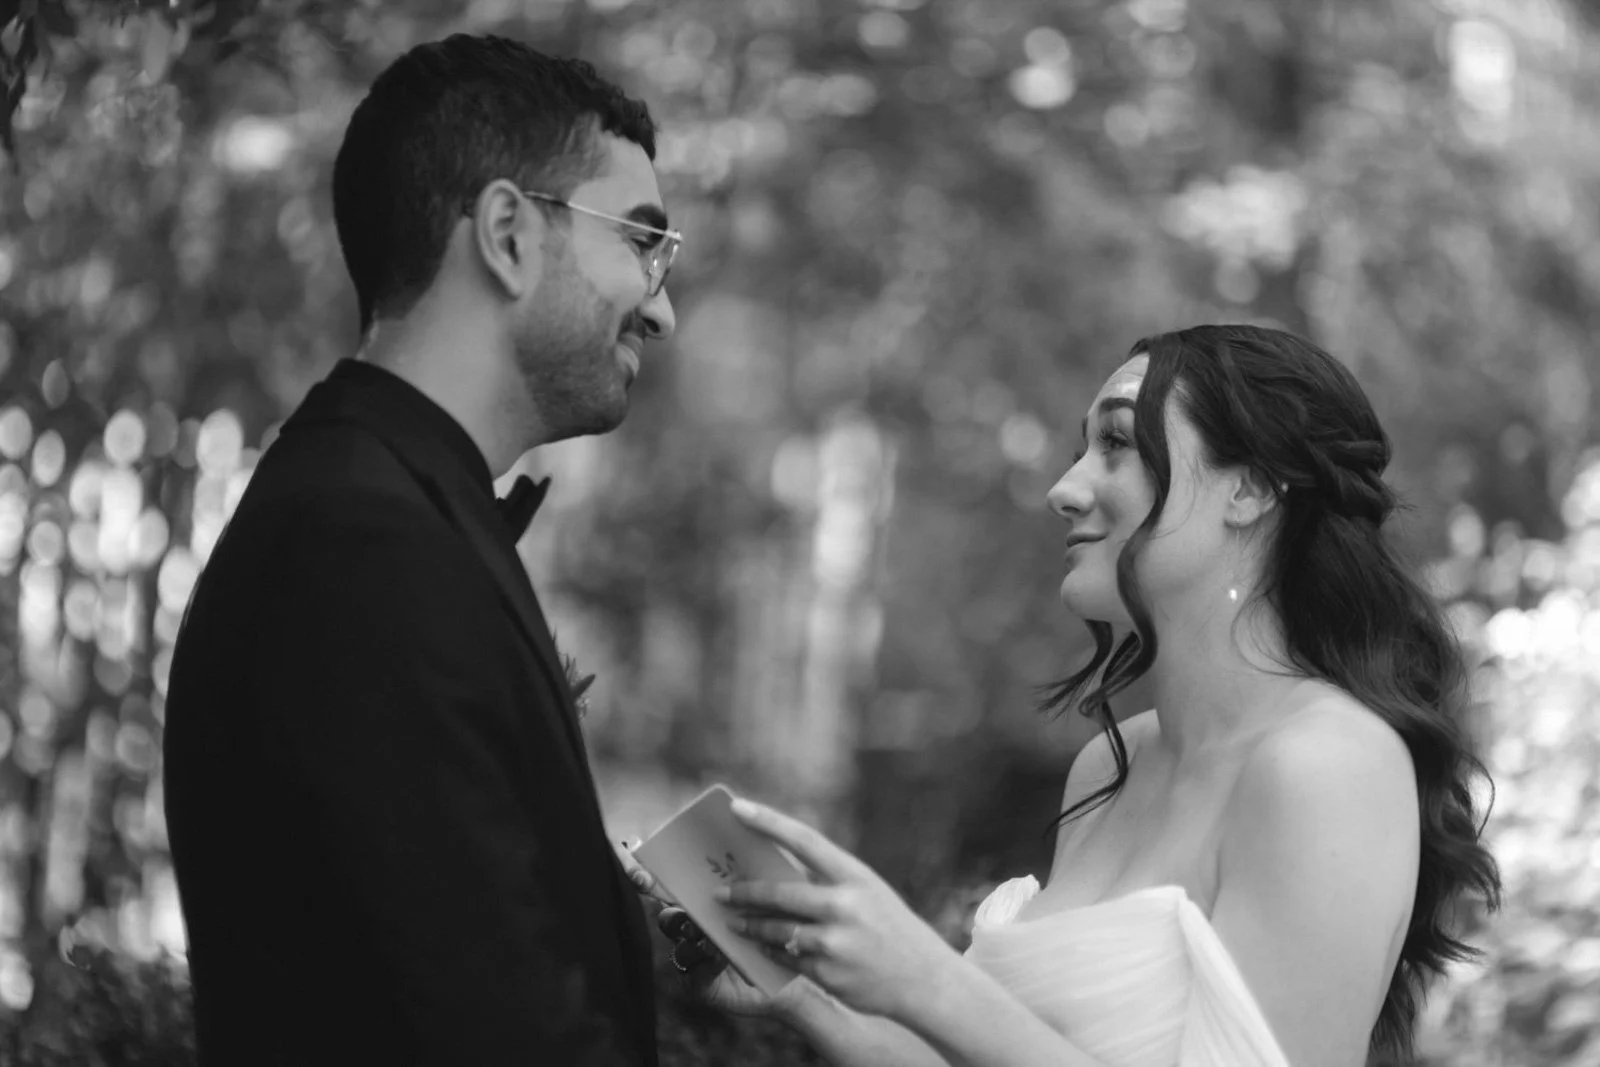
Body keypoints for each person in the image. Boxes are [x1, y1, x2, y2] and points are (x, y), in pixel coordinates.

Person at [649, 325, 1500, 1067]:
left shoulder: (1329, 766)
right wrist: (799, 986)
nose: (1066, 485)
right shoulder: (1110, 766)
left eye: (1117, 445)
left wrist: (930, 975)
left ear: (1253, 488)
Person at [163, 35, 678, 1066]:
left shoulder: (387, 504)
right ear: (507, 233)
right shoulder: (360, 546)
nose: (660, 306)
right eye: (641, 242)